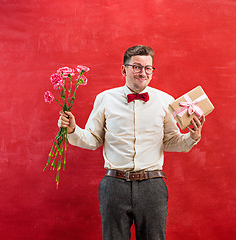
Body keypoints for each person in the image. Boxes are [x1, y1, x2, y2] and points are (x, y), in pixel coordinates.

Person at [58, 45, 205, 240]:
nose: (142, 72)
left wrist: (192, 136)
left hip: (152, 185)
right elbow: (93, 140)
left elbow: (170, 141)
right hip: (114, 185)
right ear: (123, 69)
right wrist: (73, 130)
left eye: (148, 68)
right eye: (136, 67)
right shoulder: (105, 98)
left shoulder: (165, 101)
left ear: (152, 70)